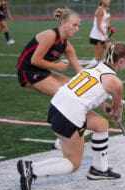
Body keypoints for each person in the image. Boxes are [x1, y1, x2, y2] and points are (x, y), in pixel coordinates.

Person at [17, 41, 125, 190]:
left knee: (101, 124)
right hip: (69, 115)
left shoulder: (93, 67)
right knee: (72, 164)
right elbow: (117, 109)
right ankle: (31, 169)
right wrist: (117, 117)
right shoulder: (116, 83)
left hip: (56, 106)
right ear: (122, 61)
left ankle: (99, 170)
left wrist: (103, 106)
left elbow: (85, 91)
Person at [16, 8, 84, 150]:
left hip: (41, 70)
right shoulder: (50, 35)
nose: (77, 29)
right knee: (65, 94)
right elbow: (35, 60)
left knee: (74, 86)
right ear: (64, 23)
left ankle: (76, 128)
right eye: (74, 25)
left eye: (78, 26)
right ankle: (62, 137)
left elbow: (79, 70)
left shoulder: (67, 45)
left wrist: (93, 82)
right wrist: (57, 66)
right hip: (27, 71)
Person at [89, 0, 112, 65]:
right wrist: (105, 35)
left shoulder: (107, 9)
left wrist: (109, 27)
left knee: (110, 48)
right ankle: (87, 70)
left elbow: (105, 22)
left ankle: (106, 65)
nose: (108, 1)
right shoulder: (100, 10)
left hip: (102, 35)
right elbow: (99, 26)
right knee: (97, 58)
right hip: (97, 36)